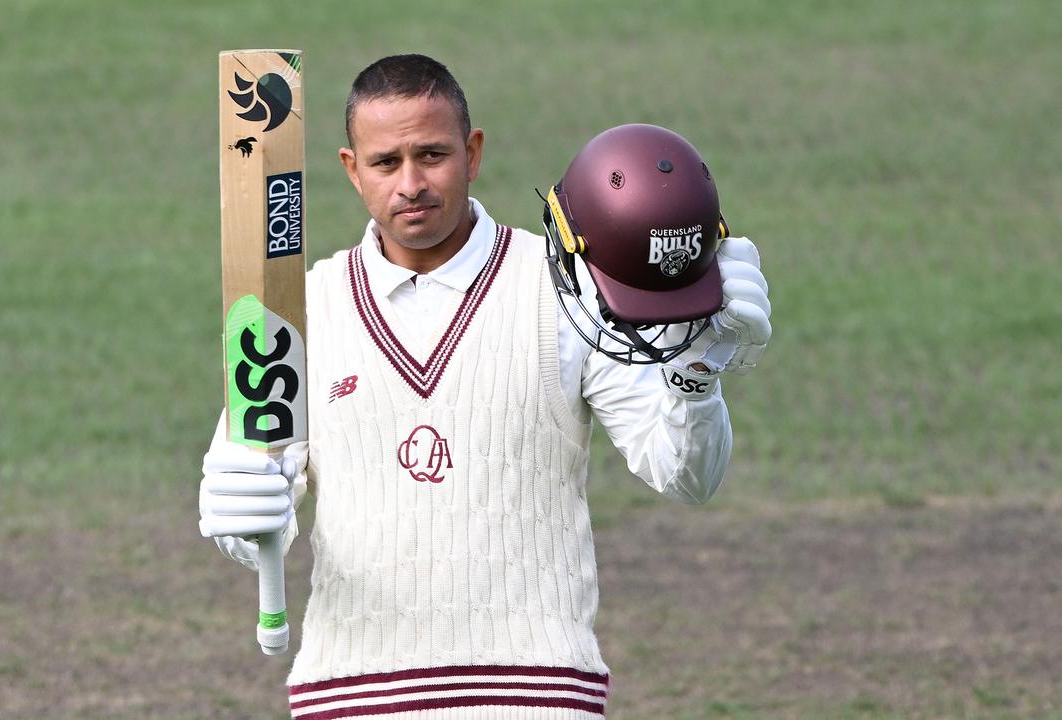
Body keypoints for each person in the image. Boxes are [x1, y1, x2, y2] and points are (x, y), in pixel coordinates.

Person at [199, 54, 772, 719]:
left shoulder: (567, 290)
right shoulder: (295, 310)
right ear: (352, 170)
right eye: (386, 163)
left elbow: (687, 476)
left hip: (536, 696)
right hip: (352, 696)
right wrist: (241, 517)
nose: (410, 183)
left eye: (432, 155)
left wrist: (696, 372)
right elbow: (248, 512)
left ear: (472, 153)